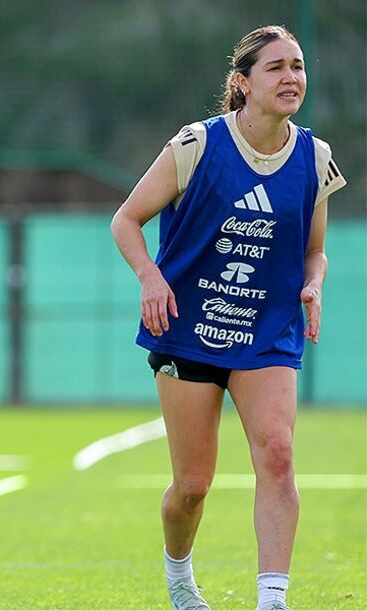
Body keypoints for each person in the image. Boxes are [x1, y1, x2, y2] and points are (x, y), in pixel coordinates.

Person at [110, 25, 345, 610]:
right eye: (276, 68)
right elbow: (125, 220)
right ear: (242, 84)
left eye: (297, 65)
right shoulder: (196, 144)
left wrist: (313, 286)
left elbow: (314, 250)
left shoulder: (314, 157)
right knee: (192, 487)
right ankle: (180, 576)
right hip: (187, 331)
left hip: (266, 334)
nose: (292, 77)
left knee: (278, 454)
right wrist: (150, 277)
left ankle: (272, 599)